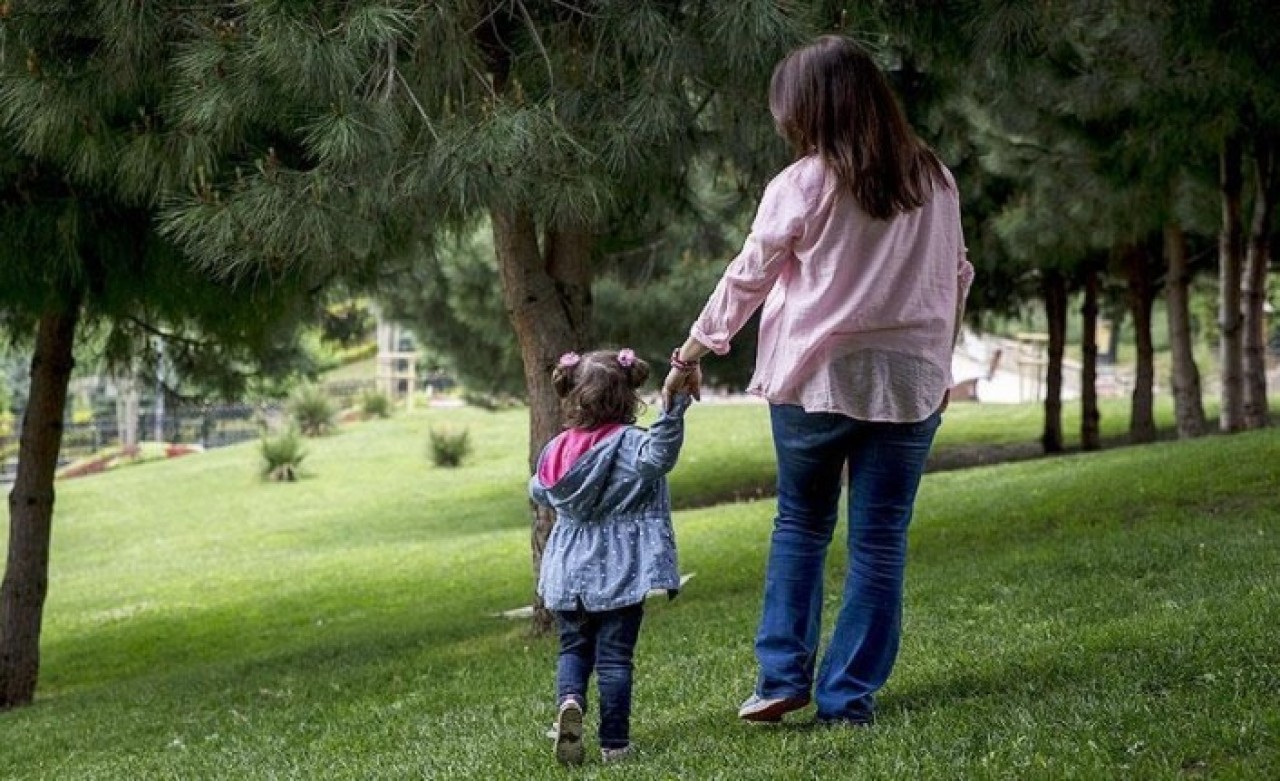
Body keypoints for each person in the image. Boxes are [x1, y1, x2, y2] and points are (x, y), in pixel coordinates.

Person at [662, 35, 973, 727]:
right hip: (910, 382)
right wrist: (939, 362)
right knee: (880, 540)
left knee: (801, 524)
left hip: (817, 381)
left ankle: (781, 679)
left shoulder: (803, 182)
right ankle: (847, 697)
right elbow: (956, 276)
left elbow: (749, 275)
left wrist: (691, 353)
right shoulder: (936, 178)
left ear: (809, 109)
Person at [531, 348, 691, 765]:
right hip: (620, 570)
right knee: (615, 659)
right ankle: (615, 744)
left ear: (573, 396)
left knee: (572, 649)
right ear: (628, 396)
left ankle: (570, 702)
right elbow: (660, 457)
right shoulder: (631, 444)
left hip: (566, 570)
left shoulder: (557, 449)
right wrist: (673, 409)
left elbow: (539, 490)